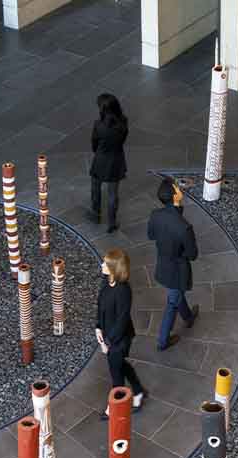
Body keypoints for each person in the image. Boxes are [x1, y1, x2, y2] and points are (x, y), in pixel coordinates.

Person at [147, 177, 199, 352]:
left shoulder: (155, 215)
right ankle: (162, 341)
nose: (179, 188)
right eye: (177, 187)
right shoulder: (184, 227)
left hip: (163, 266)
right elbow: (192, 255)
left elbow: (151, 236)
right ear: (174, 196)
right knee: (172, 301)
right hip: (178, 271)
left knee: (176, 295)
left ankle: (188, 318)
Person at [96, 248, 146, 419]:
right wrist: (97, 327)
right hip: (108, 335)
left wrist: (107, 344)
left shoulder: (124, 291)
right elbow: (100, 304)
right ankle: (139, 391)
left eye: (106, 263)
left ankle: (114, 408)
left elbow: (122, 320)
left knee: (116, 374)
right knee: (120, 365)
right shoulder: (106, 281)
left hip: (118, 339)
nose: (102, 264)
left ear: (114, 269)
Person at [89, 93, 128, 233]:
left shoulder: (99, 125)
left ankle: (96, 214)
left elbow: (94, 143)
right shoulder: (123, 122)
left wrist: (98, 151)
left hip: (100, 159)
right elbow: (123, 140)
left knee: (95, 188)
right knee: (113, 194)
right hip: (116, 161)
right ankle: (111, 222)